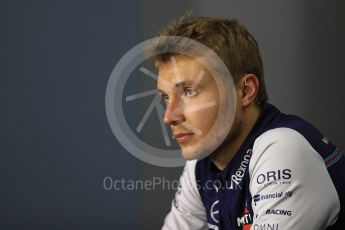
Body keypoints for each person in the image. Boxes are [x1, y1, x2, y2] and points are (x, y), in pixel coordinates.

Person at [151, 15, 344, 230]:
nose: (168, 116)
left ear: (246, 90)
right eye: (165, 97)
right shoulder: (201, 165)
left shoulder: (282, 148)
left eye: (189, 91)